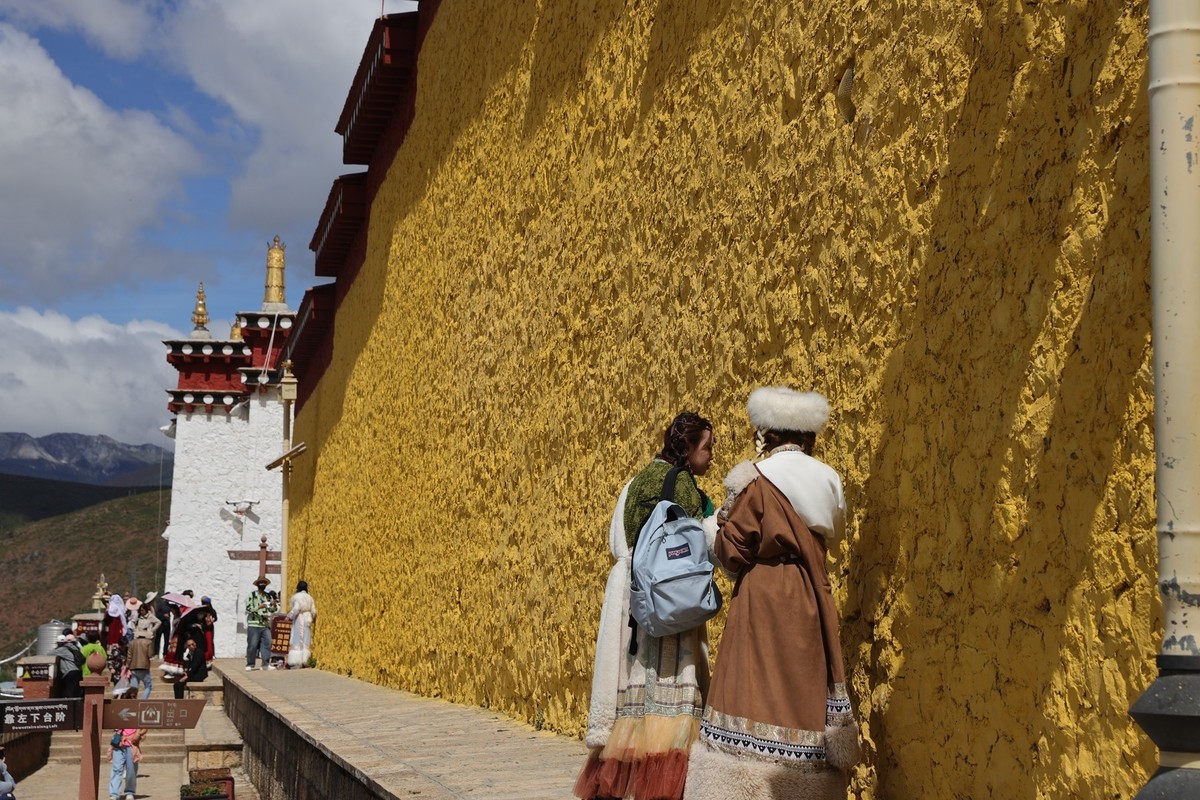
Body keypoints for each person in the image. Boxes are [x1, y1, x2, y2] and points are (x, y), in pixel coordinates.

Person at [684, 388, 859, 800]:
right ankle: (800, 778)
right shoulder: (828, 477)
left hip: (761, 597)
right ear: (807, 437)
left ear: (770, 434)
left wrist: (717, 535)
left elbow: (733, 547)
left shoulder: (756, 479)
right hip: (809, 596)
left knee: (750, 686)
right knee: (800, 686)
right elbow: (835, 530)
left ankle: (745, 784)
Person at [575, 412, 717, 800]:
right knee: (669, 701)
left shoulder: (635, 481)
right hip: (669, 602)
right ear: (687, 449)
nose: (711, 457)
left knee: (633, 700)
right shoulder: (686, 486)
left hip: (630, 600)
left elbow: (618, 540)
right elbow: (702, 542)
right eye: (707, 447)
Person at [128, 603, 161, 699]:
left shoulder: (150, 617)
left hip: (146, 637)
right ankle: (139, 701)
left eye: (143, 610)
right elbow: (132, 623)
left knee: (136, 685)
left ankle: (138, 701)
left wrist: (152, 631)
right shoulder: (137, 617)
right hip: (138, 638)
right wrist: (135, 630)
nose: (141, 612)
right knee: (137, 687)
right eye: (140, 610)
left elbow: (158, 622)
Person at [245, 577, 277, 670]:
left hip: (264, 624)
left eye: (264, 583)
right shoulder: (252, 595)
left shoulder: (268, 596)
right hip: (254, 623)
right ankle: (250, 664)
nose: (263, 585)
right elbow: (248, 609)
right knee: (253, 644)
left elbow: (272, 609)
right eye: (261, 583)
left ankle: (265, 664)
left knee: (268, 643)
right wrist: (259, 607)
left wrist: (274, 605)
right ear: (258, 585)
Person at [286, 580, 317, 668]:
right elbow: (314, 611)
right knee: (306, 640)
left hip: (299, 618)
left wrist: (289, 616)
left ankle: (296, 660)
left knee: (297, 639)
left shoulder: (296, 597)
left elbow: (296, 608)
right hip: (308, 619)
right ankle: (305, 660)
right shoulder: (310, 597)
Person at [107, 726, 144, 800]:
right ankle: (114, 793)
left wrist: (138, 734)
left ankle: (130, 791)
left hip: (132, 742)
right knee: (116, 768)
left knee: (131, 770)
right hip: (118, 741)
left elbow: (144, 727)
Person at [50, 629, 84, 698]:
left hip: (70, 672)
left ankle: (70, 707)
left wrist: (57, 647)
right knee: (76, 692)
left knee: (69, 693)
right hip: (78, 671)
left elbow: (49, 654)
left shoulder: (63, 649)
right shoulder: (76, 648)